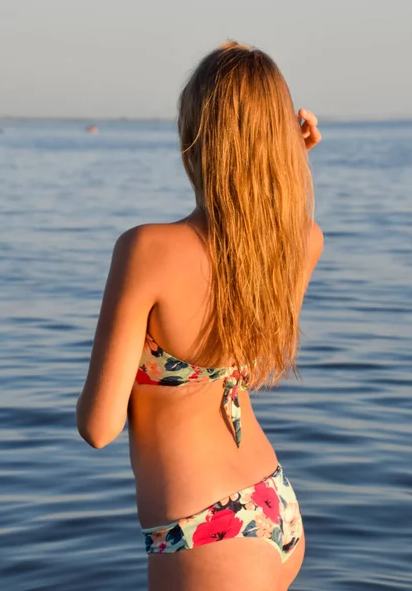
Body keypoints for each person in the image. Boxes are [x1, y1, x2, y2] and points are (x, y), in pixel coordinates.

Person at [77, 41, 323, 591]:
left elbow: (99, 427)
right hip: (274, 501)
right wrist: (287, 160)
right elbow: (265, 230)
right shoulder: (303, 244)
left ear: (196, 136)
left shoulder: (147, 251)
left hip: (205, 528)